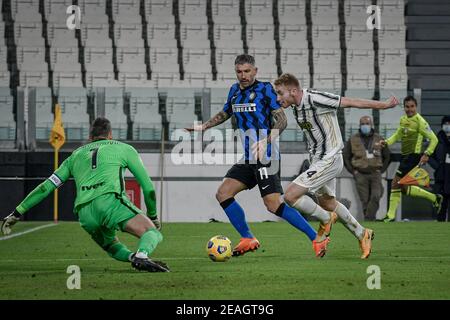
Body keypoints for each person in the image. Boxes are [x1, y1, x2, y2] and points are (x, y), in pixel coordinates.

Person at [186, 54, 331, 258]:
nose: (243, 75)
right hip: (248, 157)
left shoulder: (265, 90)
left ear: (255, 71)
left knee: (273, 204)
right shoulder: (235, 91)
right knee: (223, 193)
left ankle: (317, 237)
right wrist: (204, 126)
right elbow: (226, 112)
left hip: (267, 156)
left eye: (247, 71)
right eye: (239, 71)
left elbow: (282, 121)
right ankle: (248, 238)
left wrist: (266, 141)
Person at [1, 117, 169, 272]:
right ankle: (142, 255)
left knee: (111, 246)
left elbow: (46, 187)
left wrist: (17, 212)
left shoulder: (74, 156)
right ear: (110, 135)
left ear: (90, 137)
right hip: (109, 201)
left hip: (85, 213)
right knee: (151, 232)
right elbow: (148, 189)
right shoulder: (124, 148)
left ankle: (134, 258)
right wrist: (153, 216)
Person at [272, 73, 399, 259]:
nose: (277, 98)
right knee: (327, 202)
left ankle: (325, 218)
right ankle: (362, 233)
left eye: (280, 93)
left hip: (330, 158)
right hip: (318, 161)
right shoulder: (296, 107)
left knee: (290, 196)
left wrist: (384, 105)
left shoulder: (314, 98)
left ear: (292, 91)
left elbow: (351, 102)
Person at [378, 96, 442, 222]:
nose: (410, 109)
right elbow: (398, 135)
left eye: (412, 106)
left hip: (413, 156)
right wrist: (387, 142)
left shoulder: (420, 122)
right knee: (403, 188)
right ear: (404, 107)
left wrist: (426, 154)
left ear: (416, 107)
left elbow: (434, 139)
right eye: (407, 106)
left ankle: (390, 216)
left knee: (395, 183)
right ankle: (434, 198)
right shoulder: (403, 120)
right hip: (405, 157)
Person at [343, 116, 391, 221]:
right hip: (360, 173)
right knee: (364, 199)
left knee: (376, 196)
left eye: (367, 124)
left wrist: (382, 170)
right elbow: (345, 156)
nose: (365, 126)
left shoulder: (380, 138)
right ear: (360, 125)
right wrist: (353, 171)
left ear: (371, 125)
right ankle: (370, 221)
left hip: (375, 172)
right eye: (363, 124)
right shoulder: (353, 139)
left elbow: (387, 155)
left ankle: (369, 219)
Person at [429, 116, 450, 222]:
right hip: (441, 177)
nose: (447, 126)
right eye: (445, 124)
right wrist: (437, 166)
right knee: (441, 205)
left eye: (449, 123)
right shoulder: (436, 140)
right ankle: (439, 226)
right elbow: (429, 156)